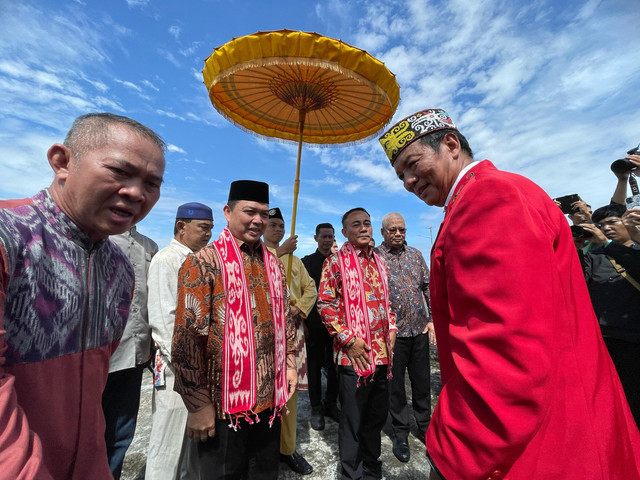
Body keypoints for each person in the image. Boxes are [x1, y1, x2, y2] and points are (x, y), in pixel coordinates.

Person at [379, 108, 640, 479]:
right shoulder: (505, 190)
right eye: (400, 175)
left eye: (412, 164)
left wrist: (458, 453)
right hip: (565, 411)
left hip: (535, 438)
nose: (407, 181)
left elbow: (505, 352)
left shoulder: (487, 198)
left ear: (451, 145)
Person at [0, 112, 165, 479]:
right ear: (62, 161)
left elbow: (91, 397)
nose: (137, 193)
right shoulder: (8, 237)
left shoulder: (119, 268)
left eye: (152, 183)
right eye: (119, 172)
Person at [171, 180, 297, 480]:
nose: (258, 220)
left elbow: (285, 315)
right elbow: (187, 339)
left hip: (270, 397)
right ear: (227, 212)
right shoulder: (203, 262)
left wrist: (290, 362)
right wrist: (197, 404)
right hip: (223, 406)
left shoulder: (273, 263)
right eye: (250, 211)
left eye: (264, 214)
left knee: (265, 473)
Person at [317, 207, 397, 480]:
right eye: (356, 225)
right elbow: (324, 304)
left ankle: (372, 468)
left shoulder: (380, 261)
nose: (363, 228)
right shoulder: (335, 262)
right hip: (354, 357)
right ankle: (351, 473)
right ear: (345, 232)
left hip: (383, 355)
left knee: (375, 419)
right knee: (352, 421)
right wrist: (348, 341)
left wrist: (393, 327)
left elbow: (388, 302)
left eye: (367, 223)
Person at [146, 202, 213, 480]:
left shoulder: (199, 260)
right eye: (203, 228)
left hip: (194, 368)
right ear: (181, 227)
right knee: (168, 439)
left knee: (191, 444)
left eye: (211, 229)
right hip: (175, 368)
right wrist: (187, 367)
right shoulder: (167, 260)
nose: (209, 234)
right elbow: (163, 321)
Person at [375, 212, 435, 463]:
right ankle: (401, 432)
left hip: (418, 329)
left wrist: (432, 320)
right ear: (383, 232)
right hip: (392, 335)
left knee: (422, 382)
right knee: (396, 386)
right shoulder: (375, 258)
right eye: (393, 230)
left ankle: (426, 426)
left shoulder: (416, 256)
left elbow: (427, 287)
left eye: (402, 230)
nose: (398, 234)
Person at [263, 207, 316, 475]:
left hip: (292, 334)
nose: (278, 229)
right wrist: (279, 252)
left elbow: (311, 288)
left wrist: (299, 308)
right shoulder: (258, 255)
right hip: (263, 335)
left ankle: (287, 447)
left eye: (281, 225)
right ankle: (264, 449)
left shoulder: (295, 261)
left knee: (290, 394)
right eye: (272, 225)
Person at [103, 226, 158, 479]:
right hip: (99, 354)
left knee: (121, 431)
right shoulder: (99, 238)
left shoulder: (148, 246)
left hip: (135, 352)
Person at [579, 204, 640, 428]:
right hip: (615, 345)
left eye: (612, 222)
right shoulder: (594, 258)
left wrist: (608, 245)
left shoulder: (636, 250)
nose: (606, 228)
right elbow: (574, 282)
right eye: (601, 225)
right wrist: (576, 247)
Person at [301, 222, 340, 431]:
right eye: (324, 237)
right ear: (316, 238)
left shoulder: (341, 263)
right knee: (314, 368)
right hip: (314, 325)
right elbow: (299, 294)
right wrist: (303, 323)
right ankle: (316, 406)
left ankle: (331, 403)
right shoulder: (306, 263)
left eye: (330, 237)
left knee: (335, 367)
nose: (327, 240)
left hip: (337, 327)